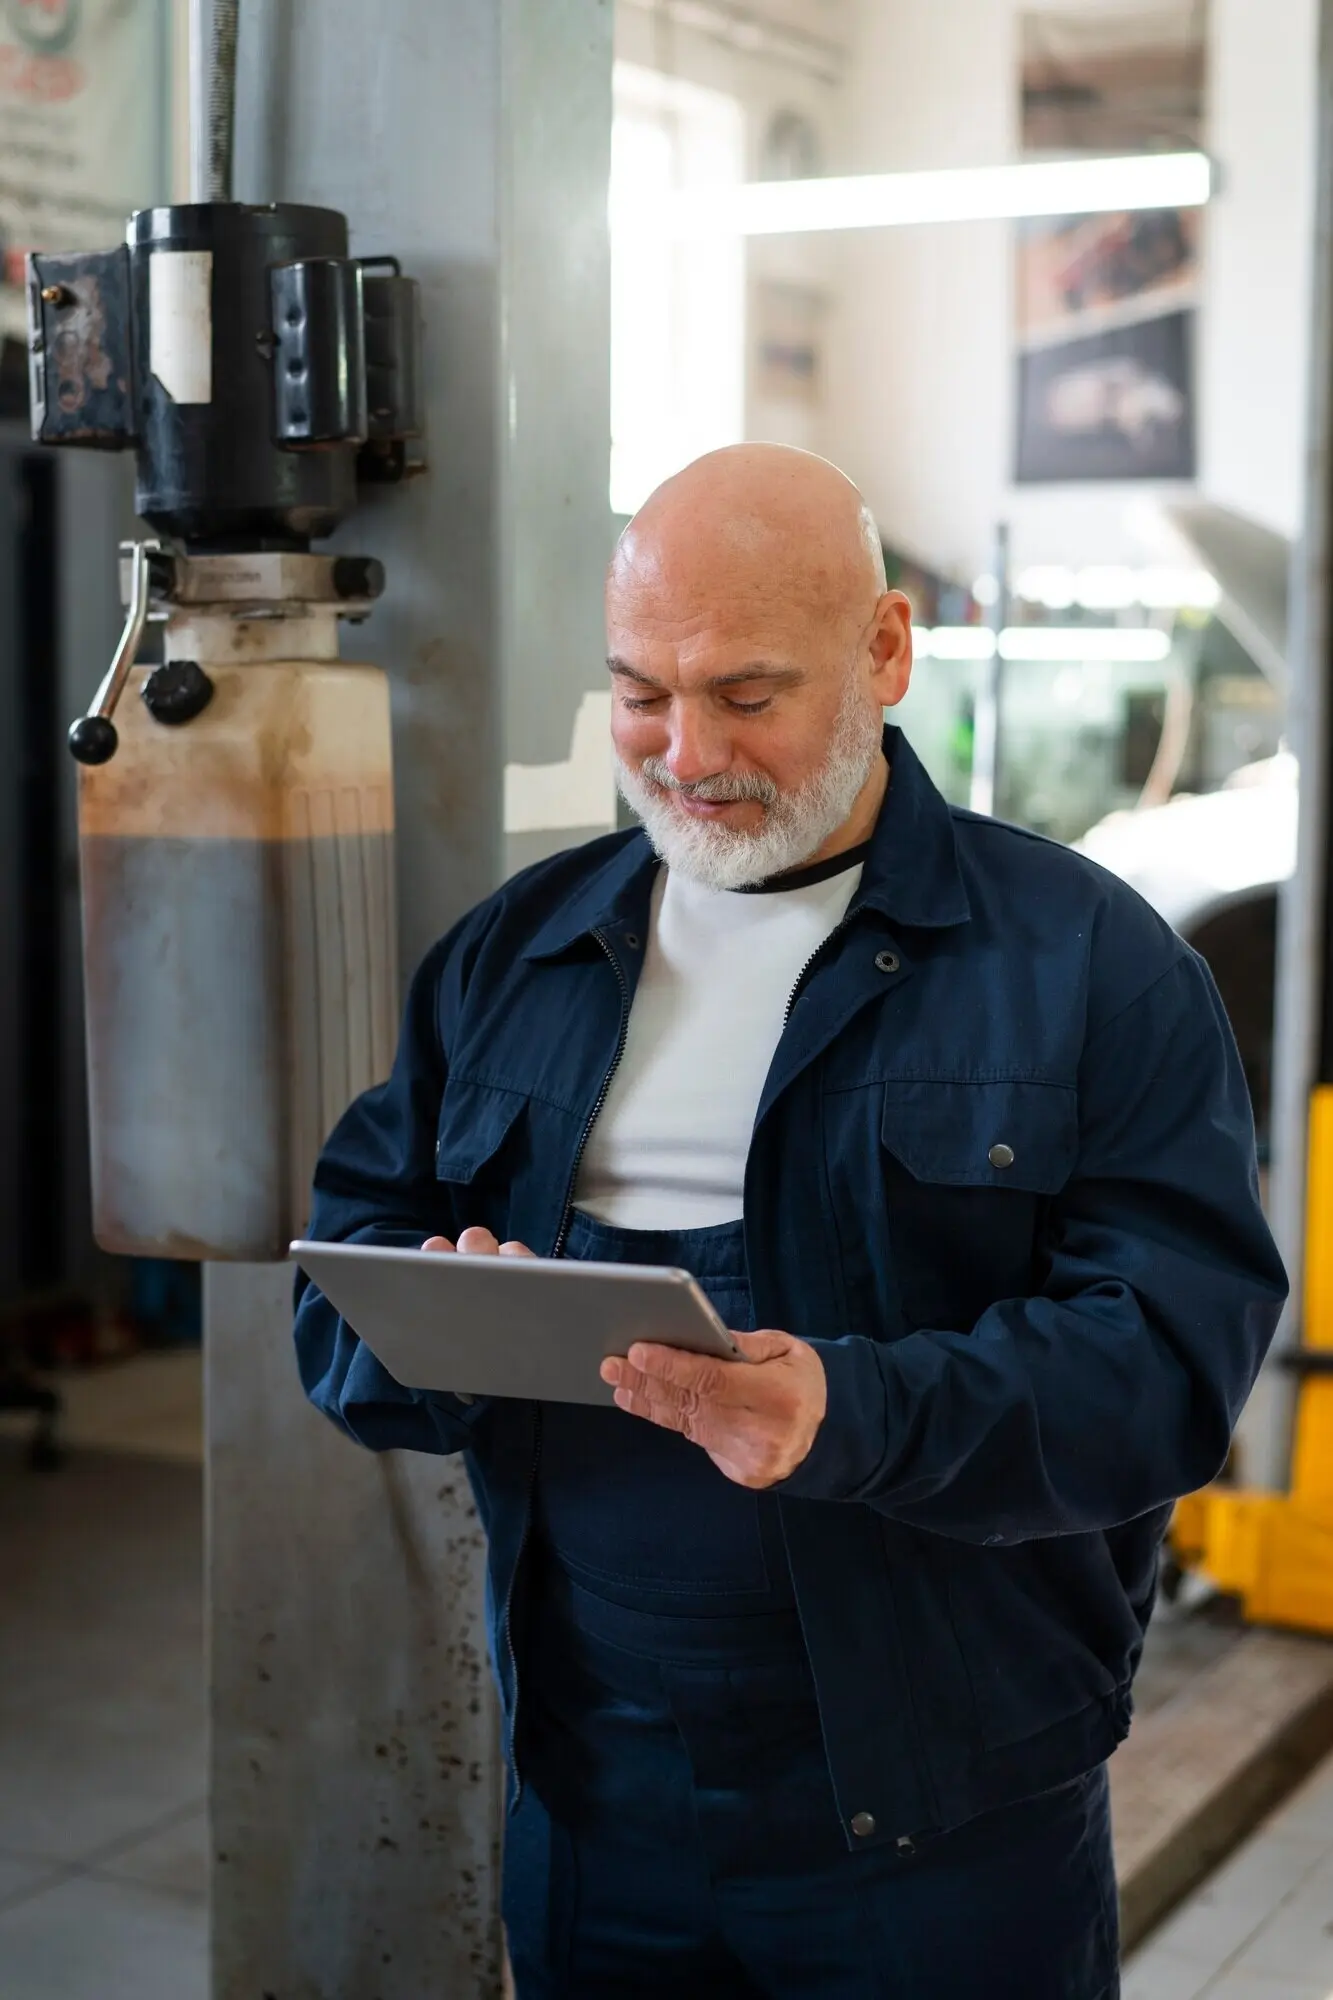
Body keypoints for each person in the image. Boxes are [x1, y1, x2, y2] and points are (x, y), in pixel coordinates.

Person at [294, 443, 1287, 1998]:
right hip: (594, 1798)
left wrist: (854, 1411)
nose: (685, 752)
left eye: (747, 694)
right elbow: (342, 1276)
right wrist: (435, 1329)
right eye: (638, 692)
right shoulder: (513, 965)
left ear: (885, 651)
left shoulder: (1089, 967)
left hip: (944, 1825)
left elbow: (1164, 1370)